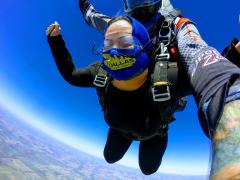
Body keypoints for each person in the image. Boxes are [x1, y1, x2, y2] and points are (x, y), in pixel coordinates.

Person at [78, 0, 240, 178]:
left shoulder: (174, 26)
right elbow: (92, 17)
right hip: (128, 117)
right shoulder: (122, 28)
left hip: (156, 119)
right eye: (133, 1)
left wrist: (226, 88)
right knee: (111, 157)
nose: (140, 7)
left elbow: (198, 53)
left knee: (148, 168)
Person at [46, 16, 189, 175]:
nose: (114, 51)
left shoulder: (168, 77)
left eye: (125, 43)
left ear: (145, 46)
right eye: (108, 44)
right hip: (120, 130)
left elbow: (212, 79)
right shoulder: (101, 73)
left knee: (148, 169)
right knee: (110, 157)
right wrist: (55, 41)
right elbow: (71, 74)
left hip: (154, 135)